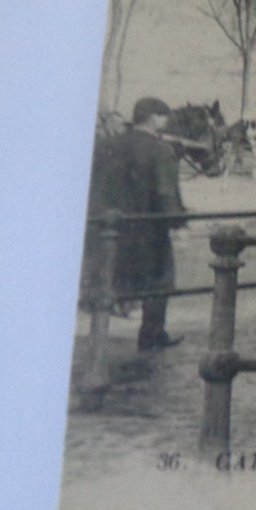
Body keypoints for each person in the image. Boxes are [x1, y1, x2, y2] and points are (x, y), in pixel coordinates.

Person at [88, 96, 188, 351]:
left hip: (108, 229)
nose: (165, 121)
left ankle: (97, 342)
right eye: (163, 116)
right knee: (159, 282)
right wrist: (178, 222)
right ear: (153, 118)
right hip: (148, 232)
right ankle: (151, 335)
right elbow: (165, 193)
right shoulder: (160, 150)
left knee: (110, 282)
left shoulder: (106, 145)